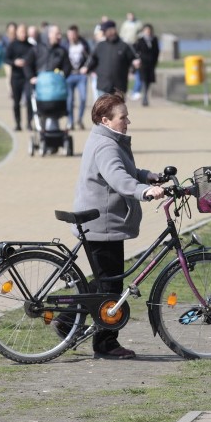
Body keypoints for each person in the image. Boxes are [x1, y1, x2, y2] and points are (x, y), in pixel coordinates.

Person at [71, 92, 166, 359]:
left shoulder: (108, 139)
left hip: (102, 221)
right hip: (102, 224)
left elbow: (125, 170)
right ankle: (105, 344)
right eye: (123, 117)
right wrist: (144, 191)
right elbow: (118, 180)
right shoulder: (106, 145)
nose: (128, 121)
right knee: (110, 287)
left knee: (106, 281)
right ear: (106, 120)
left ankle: (67, 320)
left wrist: (147, 176)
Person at [82, 20, 140, 97]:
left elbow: (134, 59)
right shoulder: (100, 45)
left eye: (105, 31)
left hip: (119, 87)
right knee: (104, 109)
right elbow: (92, 59)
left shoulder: (124, 45)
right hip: (103, 85)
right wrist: (86, 68)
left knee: (118, 109)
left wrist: (133, 68)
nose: (104, 33)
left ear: (112, 30)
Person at [4, 23, 33, 131]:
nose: (23, 34)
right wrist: (15, 62)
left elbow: (34, 60)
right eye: (21, 32)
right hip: (16, 77)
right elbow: (6, 59)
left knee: (30, 99)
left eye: (25, 32)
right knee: (16, 102)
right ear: (17, 33)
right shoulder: (12, 45)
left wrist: (27, 62)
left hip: (27, 77)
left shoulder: (31, 46)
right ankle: (18, 123)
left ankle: (29, 122)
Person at [64, 25, 91, 130]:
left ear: (77, 34)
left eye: (73, 34)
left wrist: (86, 67)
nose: (71, 36)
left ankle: (79, 119)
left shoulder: (83, 44)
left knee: (83, 98)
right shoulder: (65, 45)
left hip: (81, 75)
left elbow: (90, 57)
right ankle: (70, 121)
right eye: (69, 34)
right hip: (69, 75)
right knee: (69, 100)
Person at [132, 23, 159, 107]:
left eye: (149, 30)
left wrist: (155, 61)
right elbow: (135, 50)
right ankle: (145, 97)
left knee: (149, 81)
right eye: (146, 30)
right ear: (144, 31)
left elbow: (157, 51)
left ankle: (146, 94)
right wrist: (137, 60)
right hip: (142, 64)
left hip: (151, 63)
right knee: (143, 80)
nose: (148, 32)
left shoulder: (154, 40)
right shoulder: (140, 40)